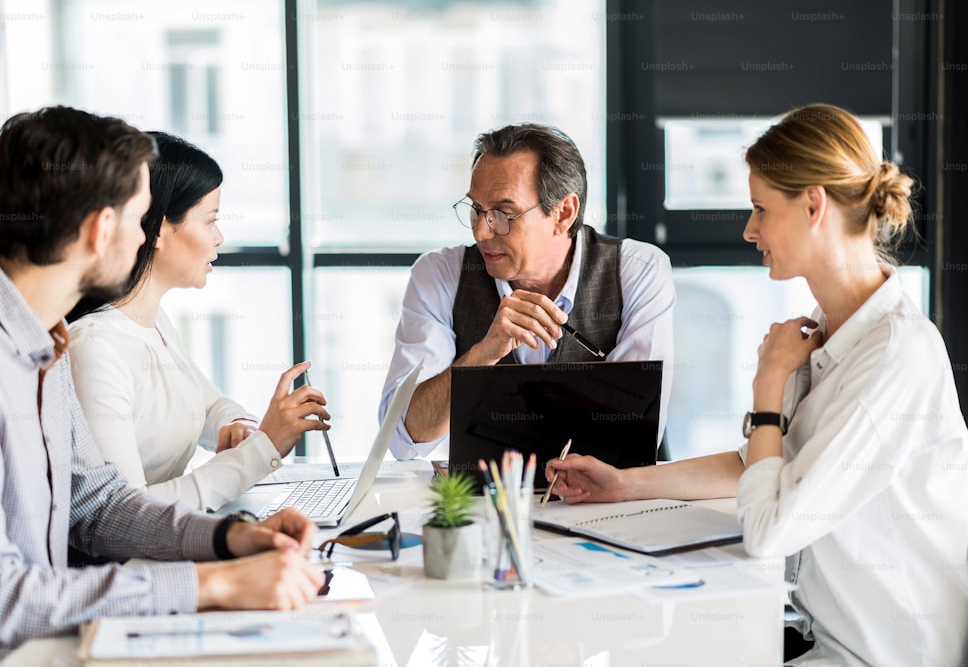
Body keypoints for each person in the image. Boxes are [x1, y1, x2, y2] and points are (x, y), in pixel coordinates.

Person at [546, 104, 968, 665]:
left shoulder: (895, 357)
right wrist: (624, 484)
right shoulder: (824, 331)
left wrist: (768, 386)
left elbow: (770, 529)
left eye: (760, 208)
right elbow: (760, 465)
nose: (749, 230)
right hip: (825, 637)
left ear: (813, 205)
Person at [0, 107, 325, 666]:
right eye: (139, 220)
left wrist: (227, 540)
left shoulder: (44, 336)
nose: (145, 237)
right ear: (99, 231)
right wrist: (214, 587)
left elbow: (99, 506)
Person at [67, 132, 330, 512]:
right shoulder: (94, 349)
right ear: (157, 228)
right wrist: (263, 449)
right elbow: (126, 515)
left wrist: (241, 425)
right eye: (210, 221)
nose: (219, 237)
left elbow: (205, 406)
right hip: (141, 563)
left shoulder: (153, 319)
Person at [379, 123, 675, 460]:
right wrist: (483, 354)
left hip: (607, 504)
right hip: (486, 505)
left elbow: (631, 433)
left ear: (563, 213)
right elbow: (405, 437)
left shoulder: (639, 271)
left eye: (503, 214)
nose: (480, 231)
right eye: (476, 209)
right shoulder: (438, 275)